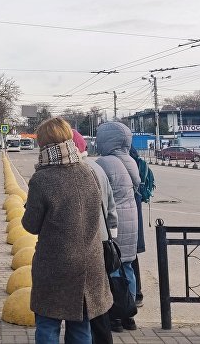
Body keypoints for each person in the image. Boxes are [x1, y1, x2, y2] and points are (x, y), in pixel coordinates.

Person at [22, 118, 113, 344]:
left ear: (44, 144)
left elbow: (30, 225)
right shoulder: (88, 172)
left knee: (48, 326)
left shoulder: (42, 179)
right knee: (81, 327)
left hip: (55, 265)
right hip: (89, 263)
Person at [72, 129, 117, 344]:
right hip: (102, 239)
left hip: (86, 244)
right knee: (98, 297)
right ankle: (104, 338)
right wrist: (112, 236)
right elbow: (111, 208)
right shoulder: (97, 169)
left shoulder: (77, 172)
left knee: (88, 299)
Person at [95, 121, 140, 332]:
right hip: (132, 221)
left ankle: (115, 315)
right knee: (128, 267)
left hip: (115, 223)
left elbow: (100, 195)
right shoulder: (129, 160)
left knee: (112, 268)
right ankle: (129, 316)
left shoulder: (105, 162)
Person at [129, 146, 155, 309]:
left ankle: (126, 303)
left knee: (120, 261)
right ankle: (136, 295)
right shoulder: (137, 164)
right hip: (134, 217)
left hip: (121, 222)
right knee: (131, 258)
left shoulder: (121, 164)